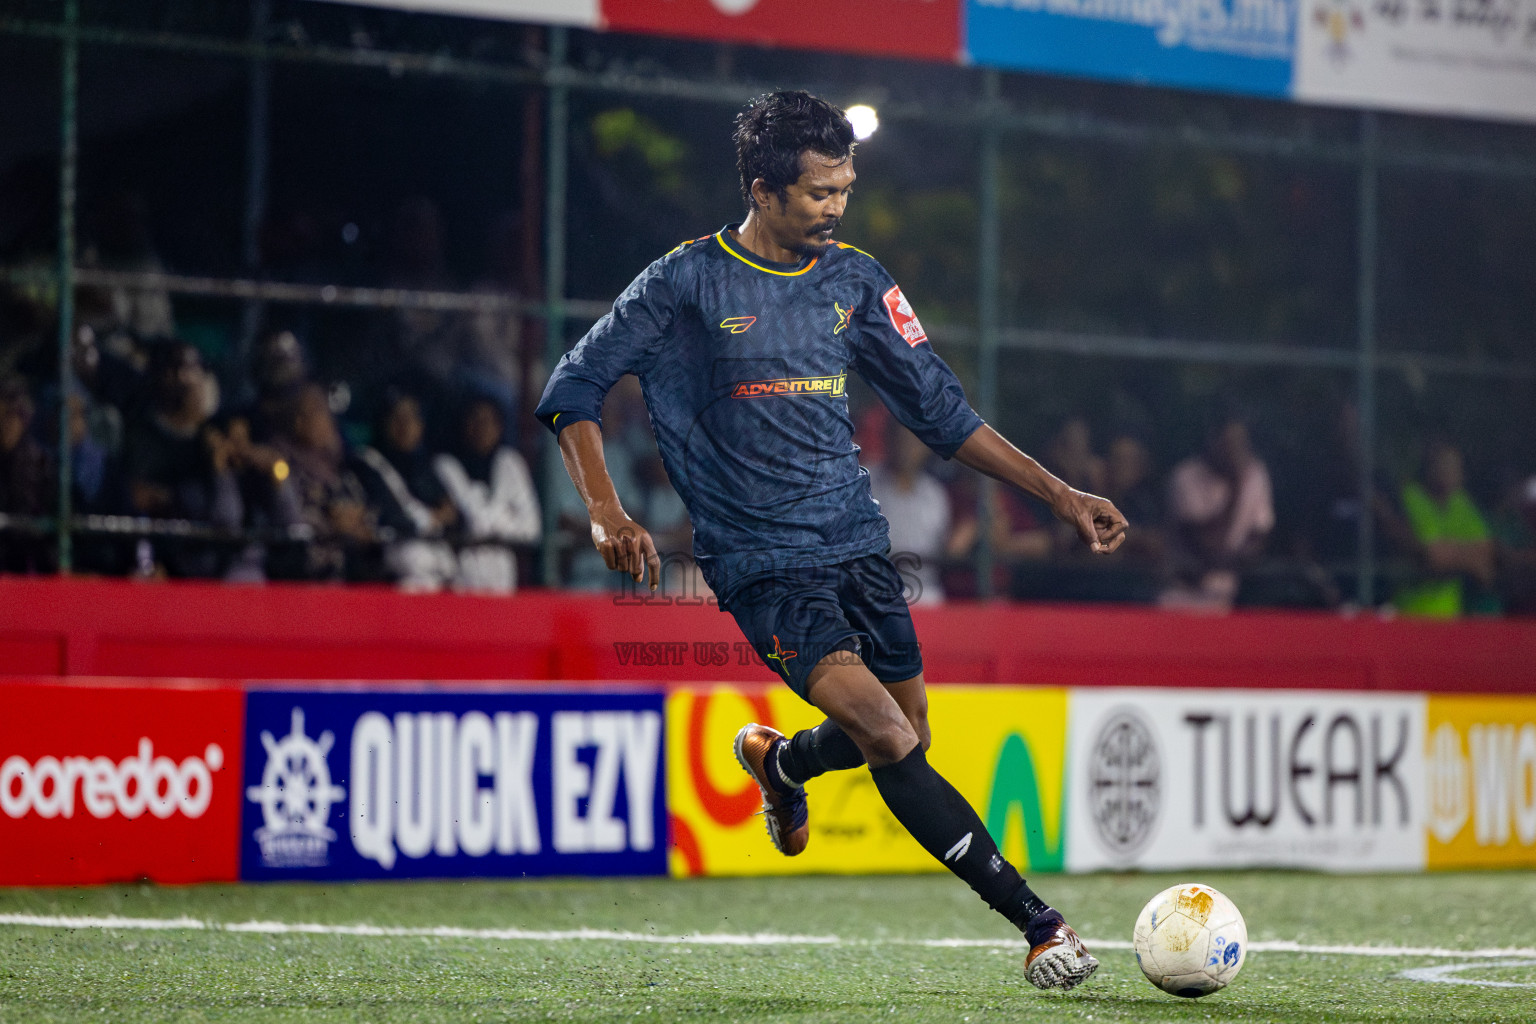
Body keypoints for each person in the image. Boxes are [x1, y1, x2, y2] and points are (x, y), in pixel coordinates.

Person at [536, 91, 1126, 992]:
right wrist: (607, 512)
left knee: (907, 728)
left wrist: (1058, 492)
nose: (838, 207)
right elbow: (571, 388)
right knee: (891, 735)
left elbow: (941, 412)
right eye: (820, 193)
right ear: (764, 190)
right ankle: (1039, 924)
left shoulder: (855, 280)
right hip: (762, 562)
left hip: (858, 543)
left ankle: (782, 762)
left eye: (846, 187)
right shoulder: (686, 282)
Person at [1160, 410, 1273, 611]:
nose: (1235, 452)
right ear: (1213, 440)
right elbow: (1207, 545)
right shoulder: (1185, 478)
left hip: (1237, 597)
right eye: (1228, 443)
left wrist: (1242, 566)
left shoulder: (1256, 474)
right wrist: (1235, 489)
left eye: (1240, 443)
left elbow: (1260, 534)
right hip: (1184, 596)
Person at [435, 395, 540, 593]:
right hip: (459, 576)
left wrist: (495, 523)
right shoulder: (445, 466)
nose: (481, 428)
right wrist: (505, 515)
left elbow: (531, 528)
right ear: (462, 424)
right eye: (474, 420)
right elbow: (474, 522)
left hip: (503, 574)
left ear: (500, 427)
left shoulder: (509, 463)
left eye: (488, 421)